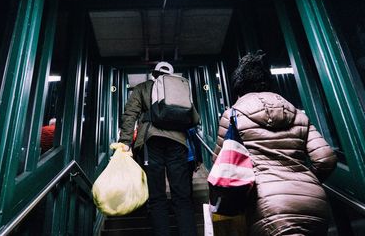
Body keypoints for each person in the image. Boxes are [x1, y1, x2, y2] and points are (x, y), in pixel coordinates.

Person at [213, 52, 337, 236]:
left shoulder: (232, 116)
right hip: (313, 203)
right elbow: (326, 159)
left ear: (238, 87)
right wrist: (303, 182)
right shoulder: (297, 114)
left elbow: (220, 168)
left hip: (266, 205)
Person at [119, 61, 200, 236]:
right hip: (178, 143)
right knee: (182, 196)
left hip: (151, 142)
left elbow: (130, 114)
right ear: (171, 75)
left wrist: (125, 142)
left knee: (156, 197)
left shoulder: (142, 88)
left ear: (154, 73)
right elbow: (195, 119)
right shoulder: (181, 88)